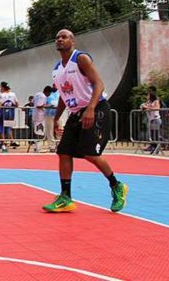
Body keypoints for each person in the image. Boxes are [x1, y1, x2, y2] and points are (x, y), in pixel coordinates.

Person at [43, 29, 128, 213]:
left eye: (64, 37)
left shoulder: (80, 59)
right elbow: (63, 96)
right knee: (63, 152)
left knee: (90, 154)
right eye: (57, 37)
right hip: (76, 113)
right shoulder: (57, 69)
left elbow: (99, 83)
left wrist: (90, 108)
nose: (59, 39)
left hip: (96, 109)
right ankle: (65, 197)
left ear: (72, 41)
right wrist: (57, 118)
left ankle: (117, 185)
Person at [0, 81, 19, 152]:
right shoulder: (13, 94)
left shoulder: (1, 95)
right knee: (9, 128)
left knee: (1, 129)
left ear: (2, 87)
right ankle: (9, 142)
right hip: (11, 114)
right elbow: (17, 104)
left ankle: (3, 145)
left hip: (3, 114)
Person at [31, 87, 52, 153]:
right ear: (47, 92)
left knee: (36, 131)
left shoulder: (37, 94)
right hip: (39, 116)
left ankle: (35, 147)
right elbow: (39, 105)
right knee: (39, 131)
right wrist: (47, 106)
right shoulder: (43, 96)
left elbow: (33, 102)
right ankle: (39, 148)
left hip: (35, 114)